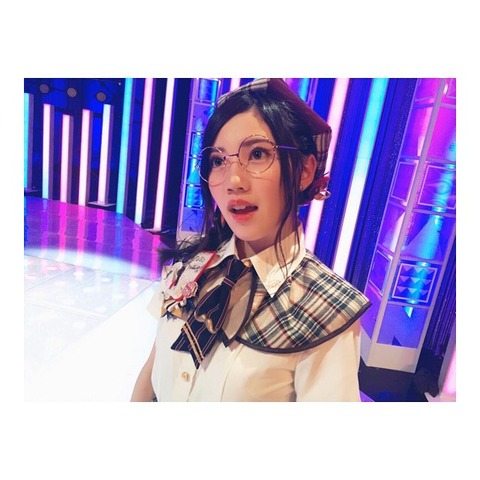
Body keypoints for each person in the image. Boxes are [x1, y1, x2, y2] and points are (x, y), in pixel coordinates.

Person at [131, 78, 371, 402]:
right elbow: (152, 369)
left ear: (304, 170)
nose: (233, 180)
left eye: (257, 154)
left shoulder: (326, 312)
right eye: (218, 160)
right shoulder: (191, 268)